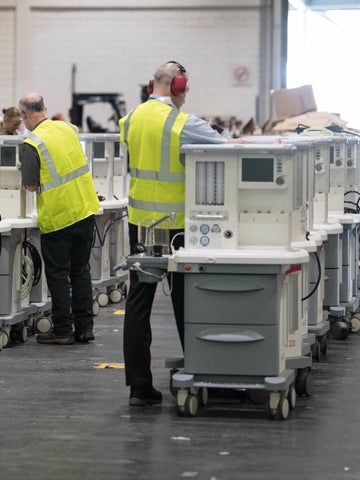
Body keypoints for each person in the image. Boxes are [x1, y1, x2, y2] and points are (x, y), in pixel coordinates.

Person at [119, 60, 230, 406]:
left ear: (153, 85)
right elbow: (224, 146)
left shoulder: (131, 119)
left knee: (138, 304)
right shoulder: (183, 123)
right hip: (180, 227)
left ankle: (139, 385)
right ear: (179, 86)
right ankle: (197, 371)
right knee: (188, 301)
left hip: (141, 225)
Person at [17, 92, 101, 345]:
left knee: (58, 274)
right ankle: (85, 328)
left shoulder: (32, 144)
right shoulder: (68, 129)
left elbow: (30, 186)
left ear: (24, 115)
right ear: (45, 108)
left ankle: (63, 330)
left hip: (58, 217)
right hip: (85, 209)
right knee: (81, 272)